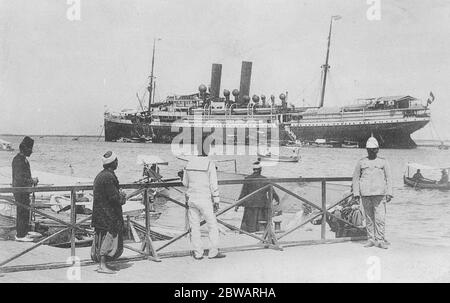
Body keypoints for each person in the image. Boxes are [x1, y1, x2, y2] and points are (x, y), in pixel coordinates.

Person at [182, 144, 225, 260]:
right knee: (212, 226)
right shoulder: (209, 163)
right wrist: (216, 200)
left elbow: (185, 183)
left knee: (194, 227)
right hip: (205, 199)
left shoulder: (189, 163)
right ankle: (213, 252)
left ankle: (198, 253)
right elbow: (213, 184)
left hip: (192, 199)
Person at [352, 137, 393, 249]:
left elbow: (389, 178)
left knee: (380, 218)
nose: (371, 151)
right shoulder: (361, 162)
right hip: (365, 194)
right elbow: (355, 178)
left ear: (377, 149)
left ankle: (380, 240)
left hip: (380, 194)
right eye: (369, 149)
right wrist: (356, 194)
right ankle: (371, 239)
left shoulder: (383, 162)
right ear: (366, 149)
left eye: (374, 149)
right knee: (369, 218)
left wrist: (389, 193)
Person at [91, 151, 126, 274]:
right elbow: (114, 198)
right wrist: (122, 196)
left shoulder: (101, 175)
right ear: (112, 163)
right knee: (109, 237)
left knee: (103, 238)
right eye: (116, 161)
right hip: (108, 215)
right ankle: (102, 265)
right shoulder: (109, 177)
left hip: (100, 212)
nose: (117, 163)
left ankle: (103, 263)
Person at [235, 161, 280, 233]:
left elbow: (243, 193)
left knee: (249, 225)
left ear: (253, 170)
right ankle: (262, 232)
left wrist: (238, 204)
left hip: (249, 205)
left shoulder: (247, 179)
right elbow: (272, 191)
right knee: (262, 224)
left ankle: (249, 232)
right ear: (260, 170)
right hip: (262, 205)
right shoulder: (265, 179)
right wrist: (277, 199)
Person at [12, 136, 39, 242]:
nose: (31, 151)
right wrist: (32, 181)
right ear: (25, 149)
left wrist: (31, 181)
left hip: (23, 191)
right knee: (22, 212)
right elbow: (20, 178)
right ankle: (20, 235)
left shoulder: (23, 160)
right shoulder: (18, 160)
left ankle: (23, 232)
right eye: (30, 149)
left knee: (25, 212)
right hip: (20, 191)